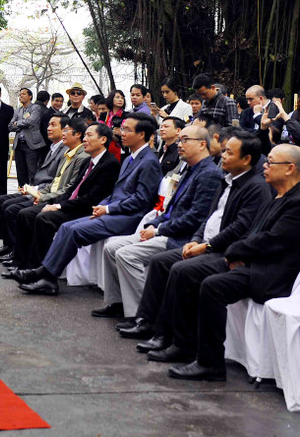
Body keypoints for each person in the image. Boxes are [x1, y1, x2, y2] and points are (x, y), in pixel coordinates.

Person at [164, 144, 300, 381]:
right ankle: (183, 344)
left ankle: (210, 363)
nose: (264, 166)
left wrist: (234, 253)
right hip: (254, 262)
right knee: (187, 272)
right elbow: (253, 235)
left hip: (272, 272)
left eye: (270, 163)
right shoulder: (278, 195)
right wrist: (236, 253)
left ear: (289, 168)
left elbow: (271, 241)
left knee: (213, 286)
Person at [120, 131, 270, 342]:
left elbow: (238, 228)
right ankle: (148, 322)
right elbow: (208, 218)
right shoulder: (227, 180)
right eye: (224, 151)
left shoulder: (255, 187)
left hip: (222, 250)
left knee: (181, 269)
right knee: (160, 262)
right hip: (202, 243)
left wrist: (206, 246)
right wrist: (196, 239)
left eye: (229, 152)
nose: (223, 156)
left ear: (246, 159)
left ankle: (177, 340)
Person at [16, 113, 163, 296]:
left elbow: (141, 200)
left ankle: (45, 275)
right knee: (67, 227)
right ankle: (46, 276)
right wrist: (103, 206)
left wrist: (108, 209)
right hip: (112, 211)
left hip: (128, 217)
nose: (121, 133)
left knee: (72, 230)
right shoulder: (130, 159)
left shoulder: (148, 162)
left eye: (127, 130)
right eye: (123, 129)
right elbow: (115, 193)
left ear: (141, 134)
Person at [97, 125, 223, 322]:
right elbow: (171, 210)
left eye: (185, 140)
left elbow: (196, 218)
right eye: (179, 140)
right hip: (168, 229)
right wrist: (152, 225)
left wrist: (158, 230)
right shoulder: (191, 169)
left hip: (181, 237)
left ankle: (144, 314)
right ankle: (117, 303)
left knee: (126, 255)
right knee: (111, 247)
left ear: (202, 144)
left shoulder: (209, 174)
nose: (179, 145)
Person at [5, 123, 120, 273]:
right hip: (70, 203)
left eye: (89, 135)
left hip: (85, 209)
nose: (85, 139)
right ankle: (20, 262)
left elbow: (91, 199)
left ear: (103, 139)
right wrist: (52, 201)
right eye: (85, 135)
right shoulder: (89, 161)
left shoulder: (110, 164)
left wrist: (59, 206)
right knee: (26, 213)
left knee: (44, 218)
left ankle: (36, 268)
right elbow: (72, 190)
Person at [0, 116, 85, 270]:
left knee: (22, 212)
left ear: (77, 134)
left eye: (66, 130)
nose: (48, 128)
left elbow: (68, 189)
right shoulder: (68, 152)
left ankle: (25, 262)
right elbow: (55, 181)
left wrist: (42, 196)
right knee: (3, 204)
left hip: (59, 200)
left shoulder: (80, 156)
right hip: (47, 192)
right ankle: (15, 253)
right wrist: (38, 192)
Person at [0, 118, 68, 260]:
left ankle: (16, 250)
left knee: (10, 208)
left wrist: (36, 190)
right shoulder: (53, 147)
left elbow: (55, 181)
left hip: (44, 192)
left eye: (53, 125)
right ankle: (8, 244)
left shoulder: (65, 151)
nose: (48, 128)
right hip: (37, 188)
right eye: (48, 124)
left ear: (64, 130)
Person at [9, 88, 45, 185]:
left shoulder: (35, 108)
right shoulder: (18, 110)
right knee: (20, 171)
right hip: (19, 144)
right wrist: (20, 124)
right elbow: (10, 126)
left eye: (23, 94)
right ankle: (22, 190)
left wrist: (17, 123)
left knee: (32, 171)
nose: (21, 96)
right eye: (20, 94)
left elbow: (31, 121)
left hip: (32, 144)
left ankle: (32, 190)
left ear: (30, 96)